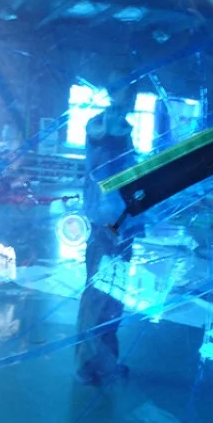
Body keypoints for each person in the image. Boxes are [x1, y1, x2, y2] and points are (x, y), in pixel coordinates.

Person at [74, 85, 141, 386]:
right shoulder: (102, 124)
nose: (130, 98)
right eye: (126, 91)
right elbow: (100, 138)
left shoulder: (123, 128)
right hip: (105, 226)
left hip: (123, 224)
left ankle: (107, 359)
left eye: (133, 93)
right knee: (98, 295)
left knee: (115, 295)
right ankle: (86, 363)